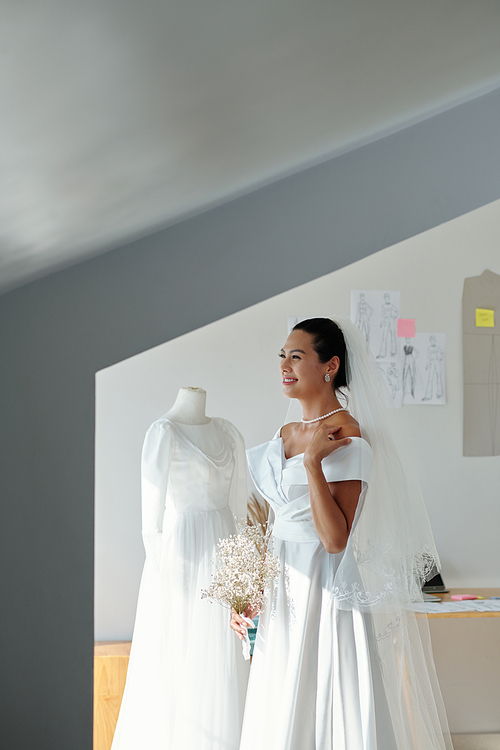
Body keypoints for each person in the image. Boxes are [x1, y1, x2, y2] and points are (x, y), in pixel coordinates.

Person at [231, 317, 452, 750]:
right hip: (282, 589)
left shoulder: (346, 435)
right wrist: (249, 594)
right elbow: (276, 525)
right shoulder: (284, 434)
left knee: (326, 699)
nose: (285, 365)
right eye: (282, 355)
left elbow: (335, 540)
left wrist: (313, 463)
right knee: (280, 702)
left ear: (330, 365)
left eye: (297, 356)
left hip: (324, 591)